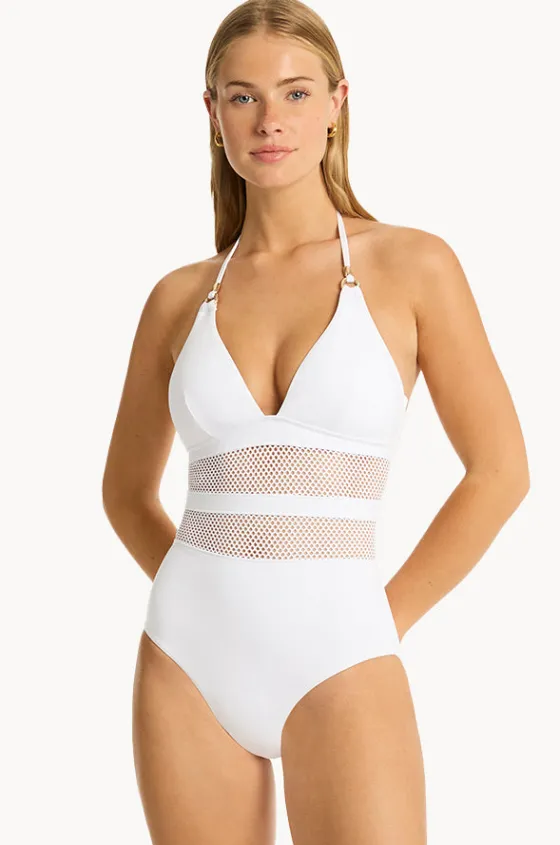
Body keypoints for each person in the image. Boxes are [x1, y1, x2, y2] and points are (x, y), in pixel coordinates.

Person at [102, 1, 530, 842]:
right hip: (186, 657)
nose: (271, 120)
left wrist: (380, 618)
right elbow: (123, 491)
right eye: (244, 96)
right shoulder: (177, 298)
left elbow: (500, 471)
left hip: (344, 649)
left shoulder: (412, 265)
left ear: (338, 102)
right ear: (212, 111)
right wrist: (213, 595)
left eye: (296, 93)